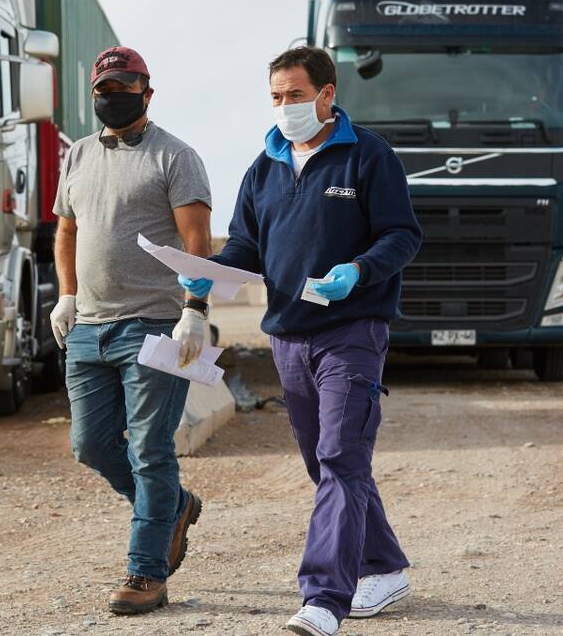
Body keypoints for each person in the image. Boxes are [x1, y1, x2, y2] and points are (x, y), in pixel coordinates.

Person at [180, 46, 423, 636]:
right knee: (327, 462)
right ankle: (385, 566)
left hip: (352, 331)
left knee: (341, 456)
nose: (284, 106)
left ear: (327, 94)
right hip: (289, 337)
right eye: (276, 97)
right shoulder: (263, 167)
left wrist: (358, 271)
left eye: (295, 95)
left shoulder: (368, 156)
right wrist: (212, 271)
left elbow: (402, 235)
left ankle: (324, 599)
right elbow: (246, 246)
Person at [50, 46, 212, 615]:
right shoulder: (79, 155)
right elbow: (66, 231)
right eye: (104, 89)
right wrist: (67, 295)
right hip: (88, 329)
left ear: (147, 91)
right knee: (90, 445)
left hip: (157, 324)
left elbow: (197, 241)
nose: (113, 96)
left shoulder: (176, 156)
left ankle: (147, 574)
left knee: (149, 449)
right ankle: (174, 507)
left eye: (124, 87)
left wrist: (196, 308)